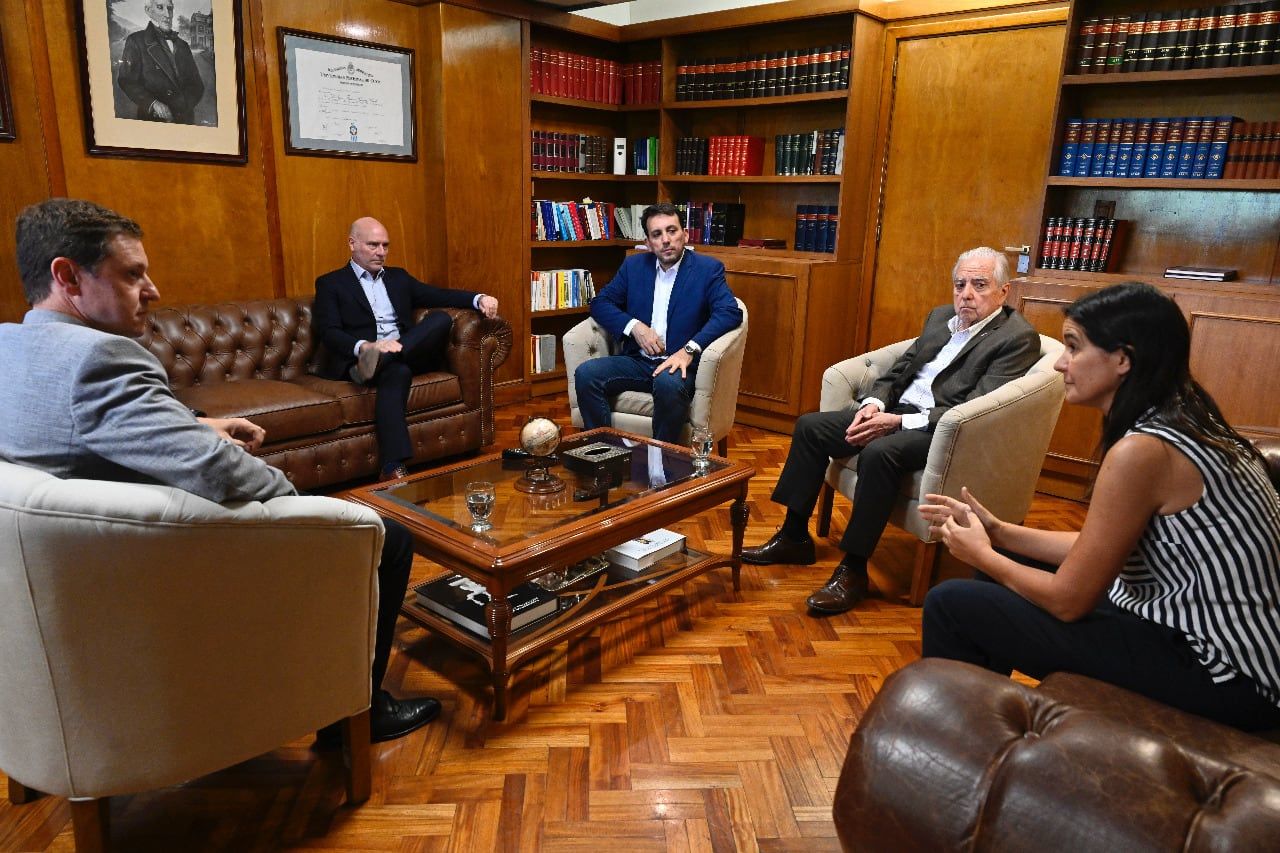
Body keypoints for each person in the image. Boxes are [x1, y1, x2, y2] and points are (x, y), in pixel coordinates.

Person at [0, 198, 440, 746]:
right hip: (166, 568)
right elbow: (219, 474)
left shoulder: (10, 348)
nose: (153, 290)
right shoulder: (103, 358)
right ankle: (353, 714)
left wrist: (194, 422)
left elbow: (87, 427)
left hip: (72, 576)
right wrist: (319, 509)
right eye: (133, 274)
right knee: (387, 538)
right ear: (67, 276)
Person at [920, 282, 1280, 732]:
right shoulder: (1184, 415)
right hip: (1213, 640)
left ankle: (952, 749)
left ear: (1123, 359)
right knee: (1007, 558)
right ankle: (989, 733)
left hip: (1224, 672)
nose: (1060, 362)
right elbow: (1101, 545)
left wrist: (982, 556)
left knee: (952, 604)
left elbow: (1069, 602)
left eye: (1073, 346)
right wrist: (1000, 533)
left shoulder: (1143, 450)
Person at [743, 247, 1040, 614]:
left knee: (880, 453)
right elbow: (901, 369)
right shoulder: (941, 318)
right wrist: (875, 405)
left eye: (979, 285)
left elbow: (976, 408)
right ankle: (793, 535)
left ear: (1003, 291)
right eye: (960, 284)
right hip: (897, 413)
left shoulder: (1016, 338)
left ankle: (853, 569)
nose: (966, 294)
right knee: (810, 426)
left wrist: (898, 423)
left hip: (942, 429)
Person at [313, 217, 499, 481]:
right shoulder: (331, 283)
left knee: (441, 319)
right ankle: (392, 467)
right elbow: (329, 332)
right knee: (397, 373)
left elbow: (439, 295)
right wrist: (367, 347)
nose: (381, 252)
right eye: (373, 245)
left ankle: (386, 356)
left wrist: (478, 298)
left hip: (405, 351)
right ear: (352, 244)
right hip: (362, 361)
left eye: (385, 246)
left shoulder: (398, 278)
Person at [574, 202, 742, 444]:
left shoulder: (707, 269)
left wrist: (689, 350)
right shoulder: (633, 267)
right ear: (648, 242)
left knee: (667, 384)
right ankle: (606, 455)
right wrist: (635, 327)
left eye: (671, 231)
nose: (665, 240)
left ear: (684, 234)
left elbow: (729, 312)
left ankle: (662, 464)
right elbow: (600, 303)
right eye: (657, 234)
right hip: (639, 361)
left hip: (679, 367)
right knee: (587, 374)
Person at [117, 0, 205, 125]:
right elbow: (126, 80)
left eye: (170, 8)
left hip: (184, 120)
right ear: (148, 11)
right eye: (160, 7)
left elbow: (196, 85)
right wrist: (153, 104)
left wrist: (181, 107)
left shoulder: (183, 45)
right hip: (152, 121)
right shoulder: (136, 41)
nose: (167, 14)